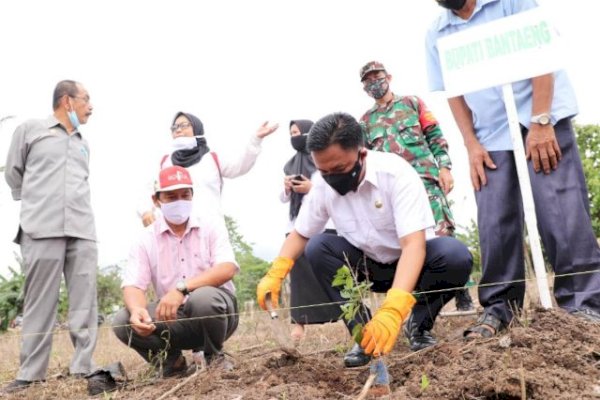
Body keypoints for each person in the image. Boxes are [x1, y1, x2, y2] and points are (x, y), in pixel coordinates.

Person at [426, 0, 600, 338]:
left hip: (540, 115)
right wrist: (471, 144)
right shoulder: (436, 31)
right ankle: (498, 308)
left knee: (560, 211)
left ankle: (585, 304)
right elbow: (453, 91)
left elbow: (542, 58)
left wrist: (541, 120)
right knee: (494, 219)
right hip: (489, 133)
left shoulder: (511, 2)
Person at [257, 112, 472, 367]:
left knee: (455, 256)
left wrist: (393, 309)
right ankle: (364, 335)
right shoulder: (323, 185)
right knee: (318, 247)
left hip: (412, 263)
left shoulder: (395, 174)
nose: (331, 177)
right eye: (323, 171)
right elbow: (302, 232)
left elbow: (413, 245)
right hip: (366, 265)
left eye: (339, 169)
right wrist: (277, 271)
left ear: (362, 153)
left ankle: (418, 325)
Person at [2, 80, 98, 394]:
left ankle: (84, 367)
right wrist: (33, 201)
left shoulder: (84, 142)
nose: (91, 107)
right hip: (41, 228)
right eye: (86, 100)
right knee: (39, 303)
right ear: (67, 100)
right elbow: (13, 172)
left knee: (85, 301)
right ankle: (30, 374)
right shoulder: (31, 130)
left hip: (81, 230)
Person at [359, 60, 474, 312]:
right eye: (367, 80)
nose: (373, 83)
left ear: (388, 76)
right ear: (364, 88)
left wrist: (444, 167)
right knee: (408, 240)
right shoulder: (365, 122)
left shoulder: (412, 103)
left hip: (426, 180)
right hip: (394, 191)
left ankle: (462, 293)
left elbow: (435, 135)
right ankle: (420, 300)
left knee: (443, 233)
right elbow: (366, 158)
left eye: (377, 76)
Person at [113, 165, 239, 376]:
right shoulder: (145, 239)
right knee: (122, 321)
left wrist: (181, 289)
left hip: (218, 313)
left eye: (185, 195)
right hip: (173, 317)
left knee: (203, 299)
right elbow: (133, 284)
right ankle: (172, 362)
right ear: (156, 200)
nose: (180, 201)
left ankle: (214, 357)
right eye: (171, 197)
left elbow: (227, 268)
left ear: (192, 195)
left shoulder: (211, 224)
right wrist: (137, 310)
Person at [139, 111, 278, 227]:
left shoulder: (212, 158)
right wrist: (145, 211)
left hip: (210, 230)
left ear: (197, 128)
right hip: (174, 234)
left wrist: (255, 140)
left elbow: (240, 167)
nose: (178, 130)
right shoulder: (164, 162)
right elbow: (148, 189)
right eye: (174, 127)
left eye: (184, 125)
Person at [281, 119, 340, 341]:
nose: (294, 136)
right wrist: (287, 188)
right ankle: (299, 323)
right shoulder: (289, 165)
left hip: (326, 225)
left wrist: (311, 188)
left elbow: (335, 190)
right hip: (297, 225)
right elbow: (281, 199)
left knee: (332, 273)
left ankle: (346, 314)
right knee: (299, 276)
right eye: (291, 133)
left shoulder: (325, 160)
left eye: (297, 132)